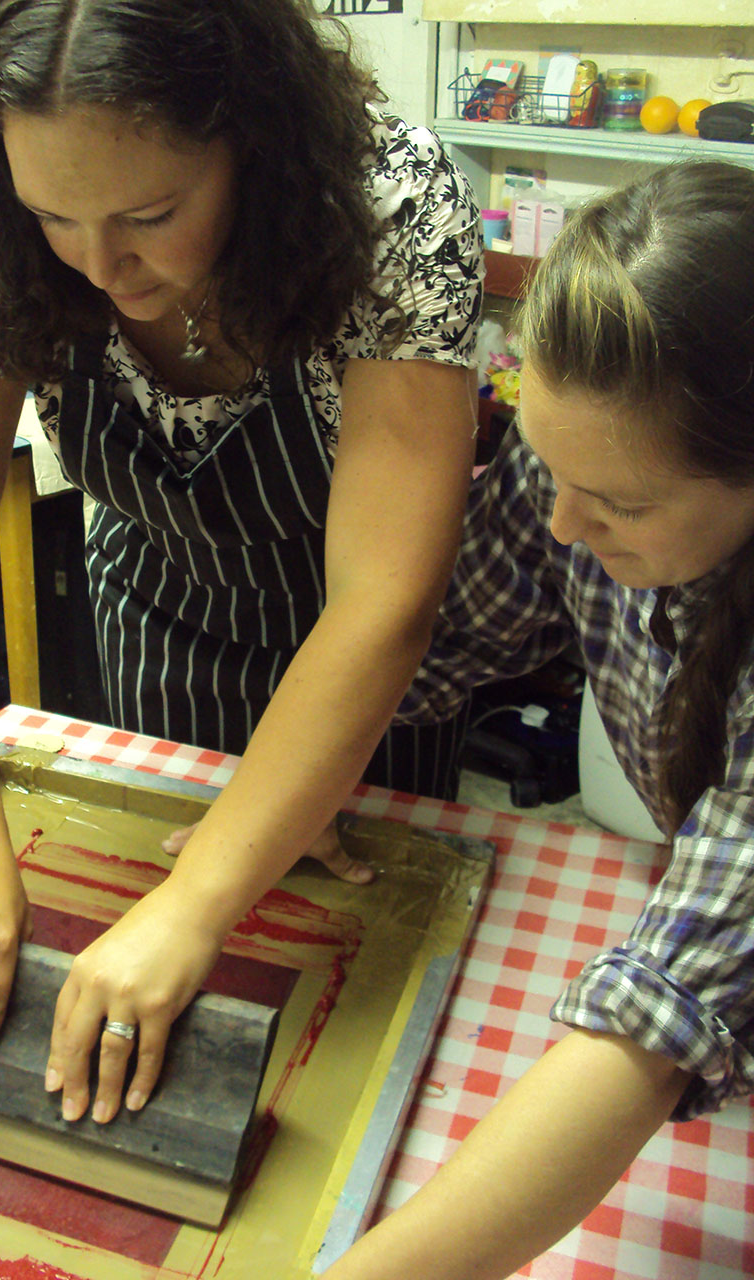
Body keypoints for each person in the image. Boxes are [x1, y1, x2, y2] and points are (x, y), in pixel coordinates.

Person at [0, 0, 482, 1127]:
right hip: (160, 614)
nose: (101, 264)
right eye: (55, 217)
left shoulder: (386, 203)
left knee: (340, 1034)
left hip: (356, 663)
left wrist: (198, 903)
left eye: (149, 215)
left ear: (252, 136)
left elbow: (383, 597)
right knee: (157, 1006)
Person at [321, 159, 754, 1278]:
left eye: (620, 505)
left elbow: (655, 1018)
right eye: (544, 461)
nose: (563, 524)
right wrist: (308, 779)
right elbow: (445, 637)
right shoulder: (578, 468)